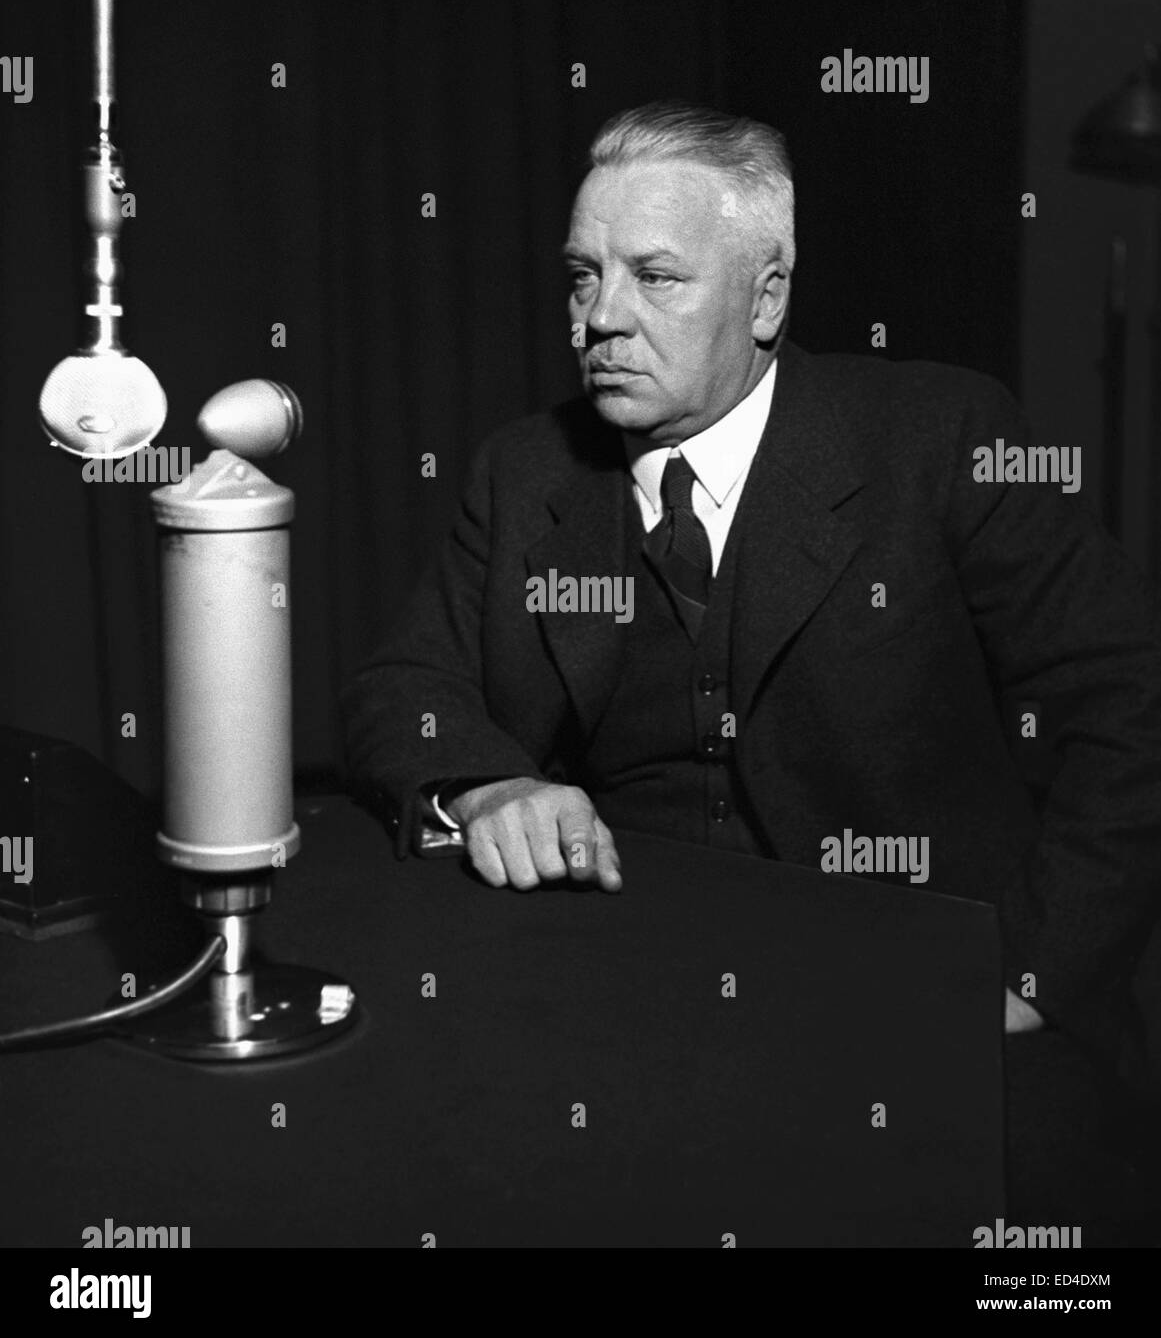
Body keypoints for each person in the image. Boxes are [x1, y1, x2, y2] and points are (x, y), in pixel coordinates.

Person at [341, 100, 1161, 1244]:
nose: (602, 320)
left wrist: (1031, 974)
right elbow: (397, 689)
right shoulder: (528, 474)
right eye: (582, 276)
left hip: (926, 1003)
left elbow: (1132, 706)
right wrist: (488, 785)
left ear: (766, 295)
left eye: (656, 277)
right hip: (636, 1003)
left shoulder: (937, 437)